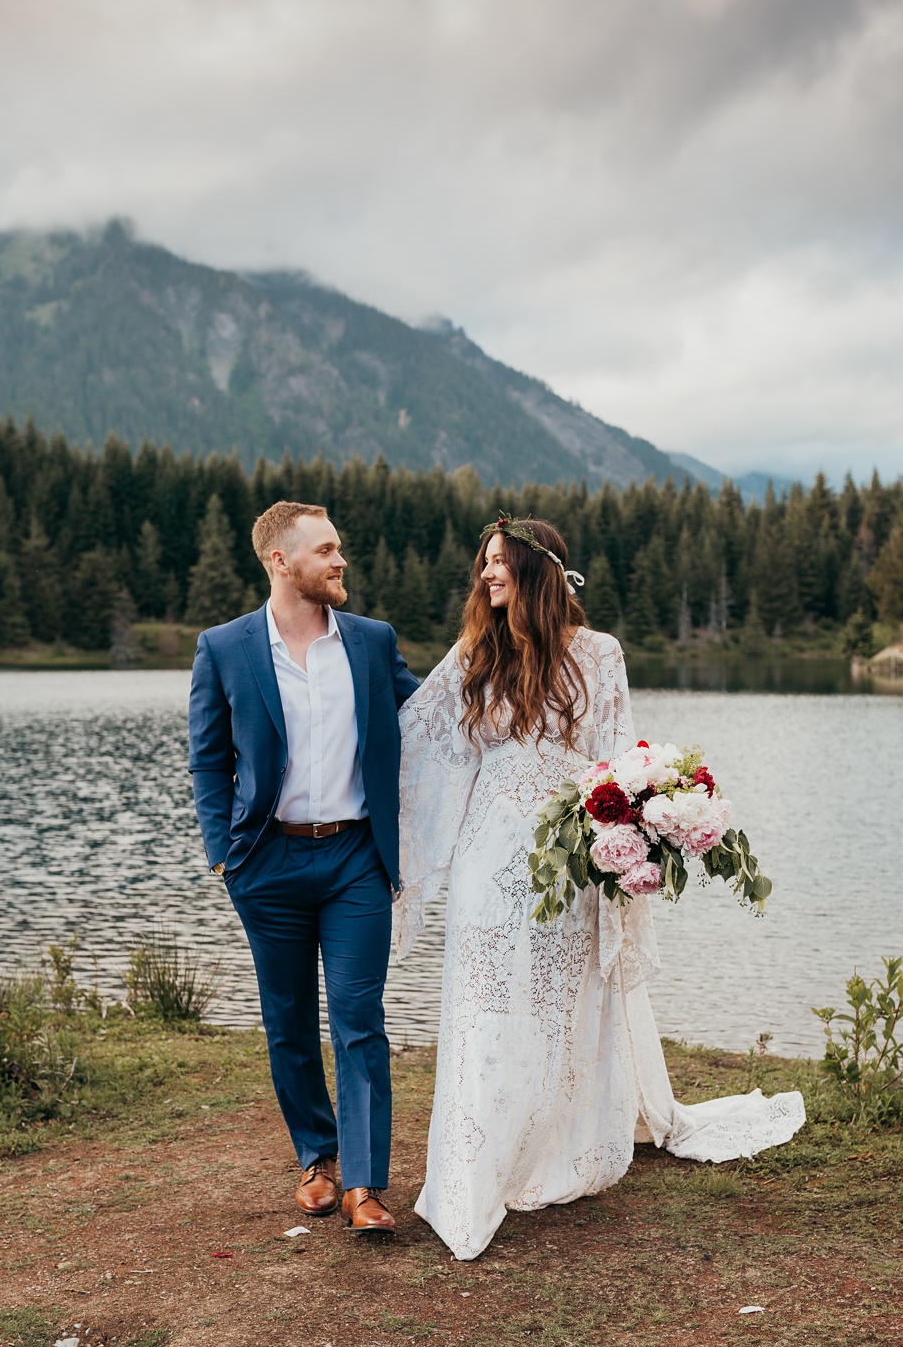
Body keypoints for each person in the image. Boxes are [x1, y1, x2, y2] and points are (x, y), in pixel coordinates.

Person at [394, 514, 804, 1261]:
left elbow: (617, 756)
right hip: (487, 853)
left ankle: (555, 1146)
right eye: (483, 562)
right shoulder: (474, 653)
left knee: (563, 1000)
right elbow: (419, 739)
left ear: (536, 571)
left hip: (568, 854)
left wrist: (640, 823)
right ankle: (476, 1161)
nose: (486, 574)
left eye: (499, 562)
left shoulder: (598, 654)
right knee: (485, 997)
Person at [188, 501, 419, 1238]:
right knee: (287, 1020)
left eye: (338, 547)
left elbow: (434, 722)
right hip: (267, 861)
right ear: (280, 561)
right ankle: (316, 1158)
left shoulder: (373, 641)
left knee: (358, 1018)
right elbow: (208, 759)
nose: (339, 559)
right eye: (325, 549)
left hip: (356, 859)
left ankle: (364, 1184)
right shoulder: (223, 647)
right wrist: (225, 854)